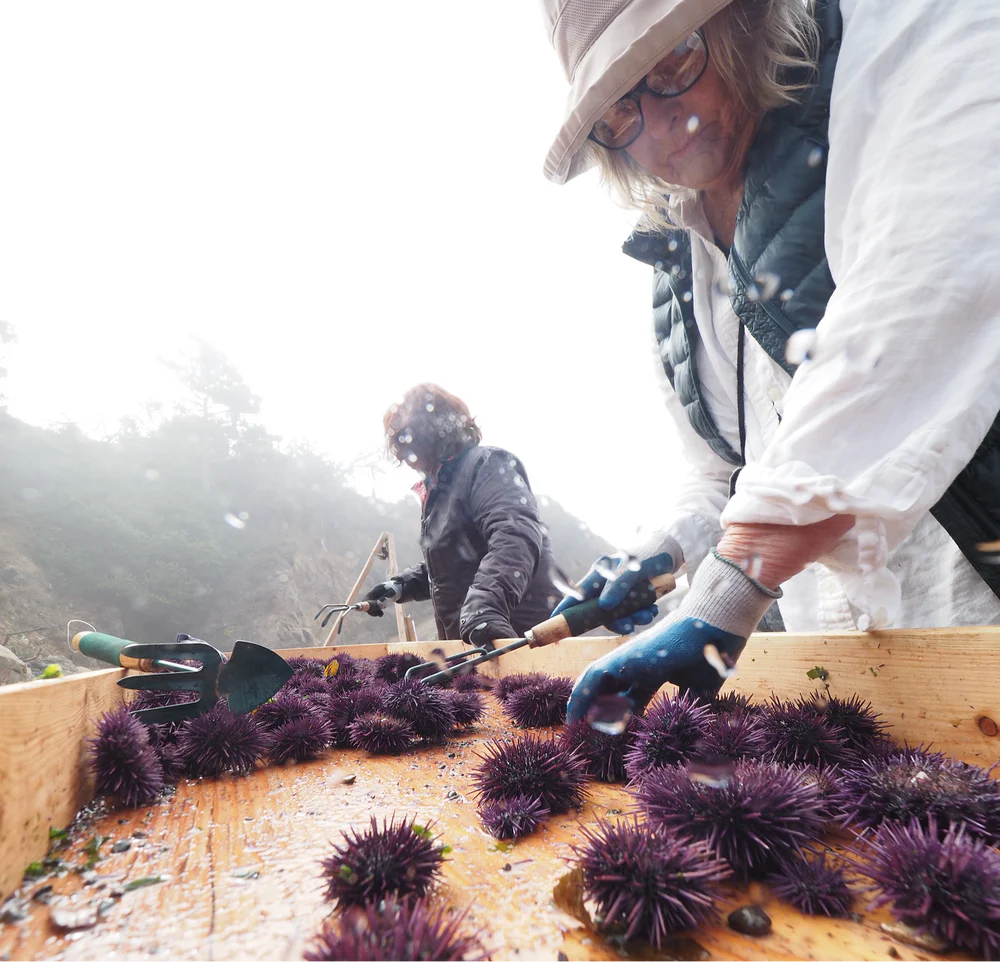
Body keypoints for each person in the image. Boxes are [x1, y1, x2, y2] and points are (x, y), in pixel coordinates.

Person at [538, 0, 1000, 721]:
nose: (663, 127)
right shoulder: (674, 263)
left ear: (743, 25)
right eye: (617, 114)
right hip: (839, 673)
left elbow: (925, 292)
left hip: (975, 610)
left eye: (672, 65)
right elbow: (725, 470)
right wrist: (660, 554)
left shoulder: (895, 48)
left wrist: (734, 584)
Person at [361, 384, 559, 648]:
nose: (404, 456)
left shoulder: (486, 464)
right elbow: (454, 564)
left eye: (405, 439)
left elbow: (515, 535)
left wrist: (485, 606)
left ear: (427, 433)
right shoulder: (439, 491)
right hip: (470, 647)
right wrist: (401, 586)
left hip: (520, 640)